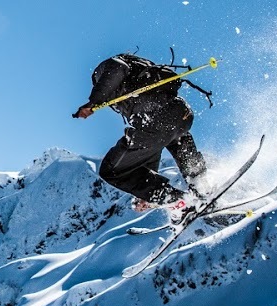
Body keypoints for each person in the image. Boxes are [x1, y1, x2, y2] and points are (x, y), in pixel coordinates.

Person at [72, 53, 211, 218]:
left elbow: (117, 67)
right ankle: (202, 189)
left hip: (155, 119)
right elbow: (149, 150)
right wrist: (146, 194)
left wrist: (93, 101)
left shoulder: (105, 69)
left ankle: (177, 201)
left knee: (110, 170)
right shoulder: (142, 70)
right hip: (181, 113)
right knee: (177, 143)